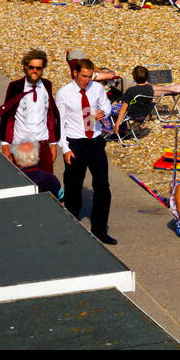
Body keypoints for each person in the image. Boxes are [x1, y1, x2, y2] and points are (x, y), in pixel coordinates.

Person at [56, 58, 117, 244]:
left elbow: (106, 104)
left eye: (90, 77)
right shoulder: (64, 93)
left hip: (95, 141)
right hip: (75, 143)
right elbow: (60, 124)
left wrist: (103, 113)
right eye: (84, 76)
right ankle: (72, 227)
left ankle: (99, 229)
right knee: (73, 188)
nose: (87, 80)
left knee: (103, 187)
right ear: (75, 73)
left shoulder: (96, 89)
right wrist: (65, 149)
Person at [0, 49, 61, 176]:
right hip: (22, 146)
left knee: (46, 183)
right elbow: (7, 117)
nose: (35, 71)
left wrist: (53, 144)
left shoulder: (47, 85)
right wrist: (5, 145)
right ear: (26, 67)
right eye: (32, 67)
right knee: (23, 183)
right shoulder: (15, 87)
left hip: (43, 144)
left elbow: (51, 115)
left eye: (38, 68)